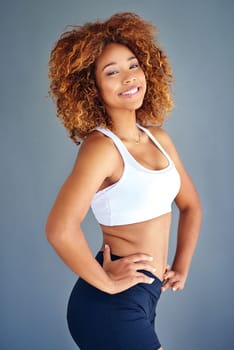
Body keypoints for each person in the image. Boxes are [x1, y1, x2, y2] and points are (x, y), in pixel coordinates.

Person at [46, 12, 202, 350]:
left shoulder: (159, 138)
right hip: (110, 305)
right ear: (93, 87)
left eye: (133, 65)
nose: (129, 78)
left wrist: (180, 266)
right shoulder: (101, 148)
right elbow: (60, 229)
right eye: (112, 72)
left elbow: (190, 205)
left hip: (147, 297)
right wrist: (106, 283)